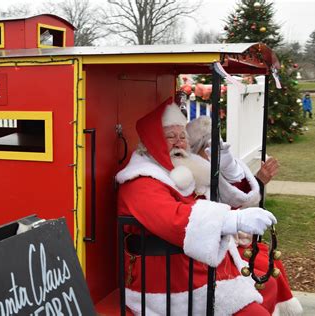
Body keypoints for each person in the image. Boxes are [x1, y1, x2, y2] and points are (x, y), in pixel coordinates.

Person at [116, 100, 278, 315]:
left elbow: (225, 196)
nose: (179, 143)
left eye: (182, 136)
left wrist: (231, 170)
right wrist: (233, 220)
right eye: (170, 136)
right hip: (171, 284)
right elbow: (174, 219)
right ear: (152, 142)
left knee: (270, 286)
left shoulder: (184, 167)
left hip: (198, 268)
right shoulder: (141, 182)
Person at [186, 116, 303, 315]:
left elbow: (235, 197)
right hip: (218, 249)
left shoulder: (215, 171)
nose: (212, 153)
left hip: (232, 240)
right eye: (207, 148)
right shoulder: (194, 177)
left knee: (269, 259)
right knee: (265, 271)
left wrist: (257, 182)